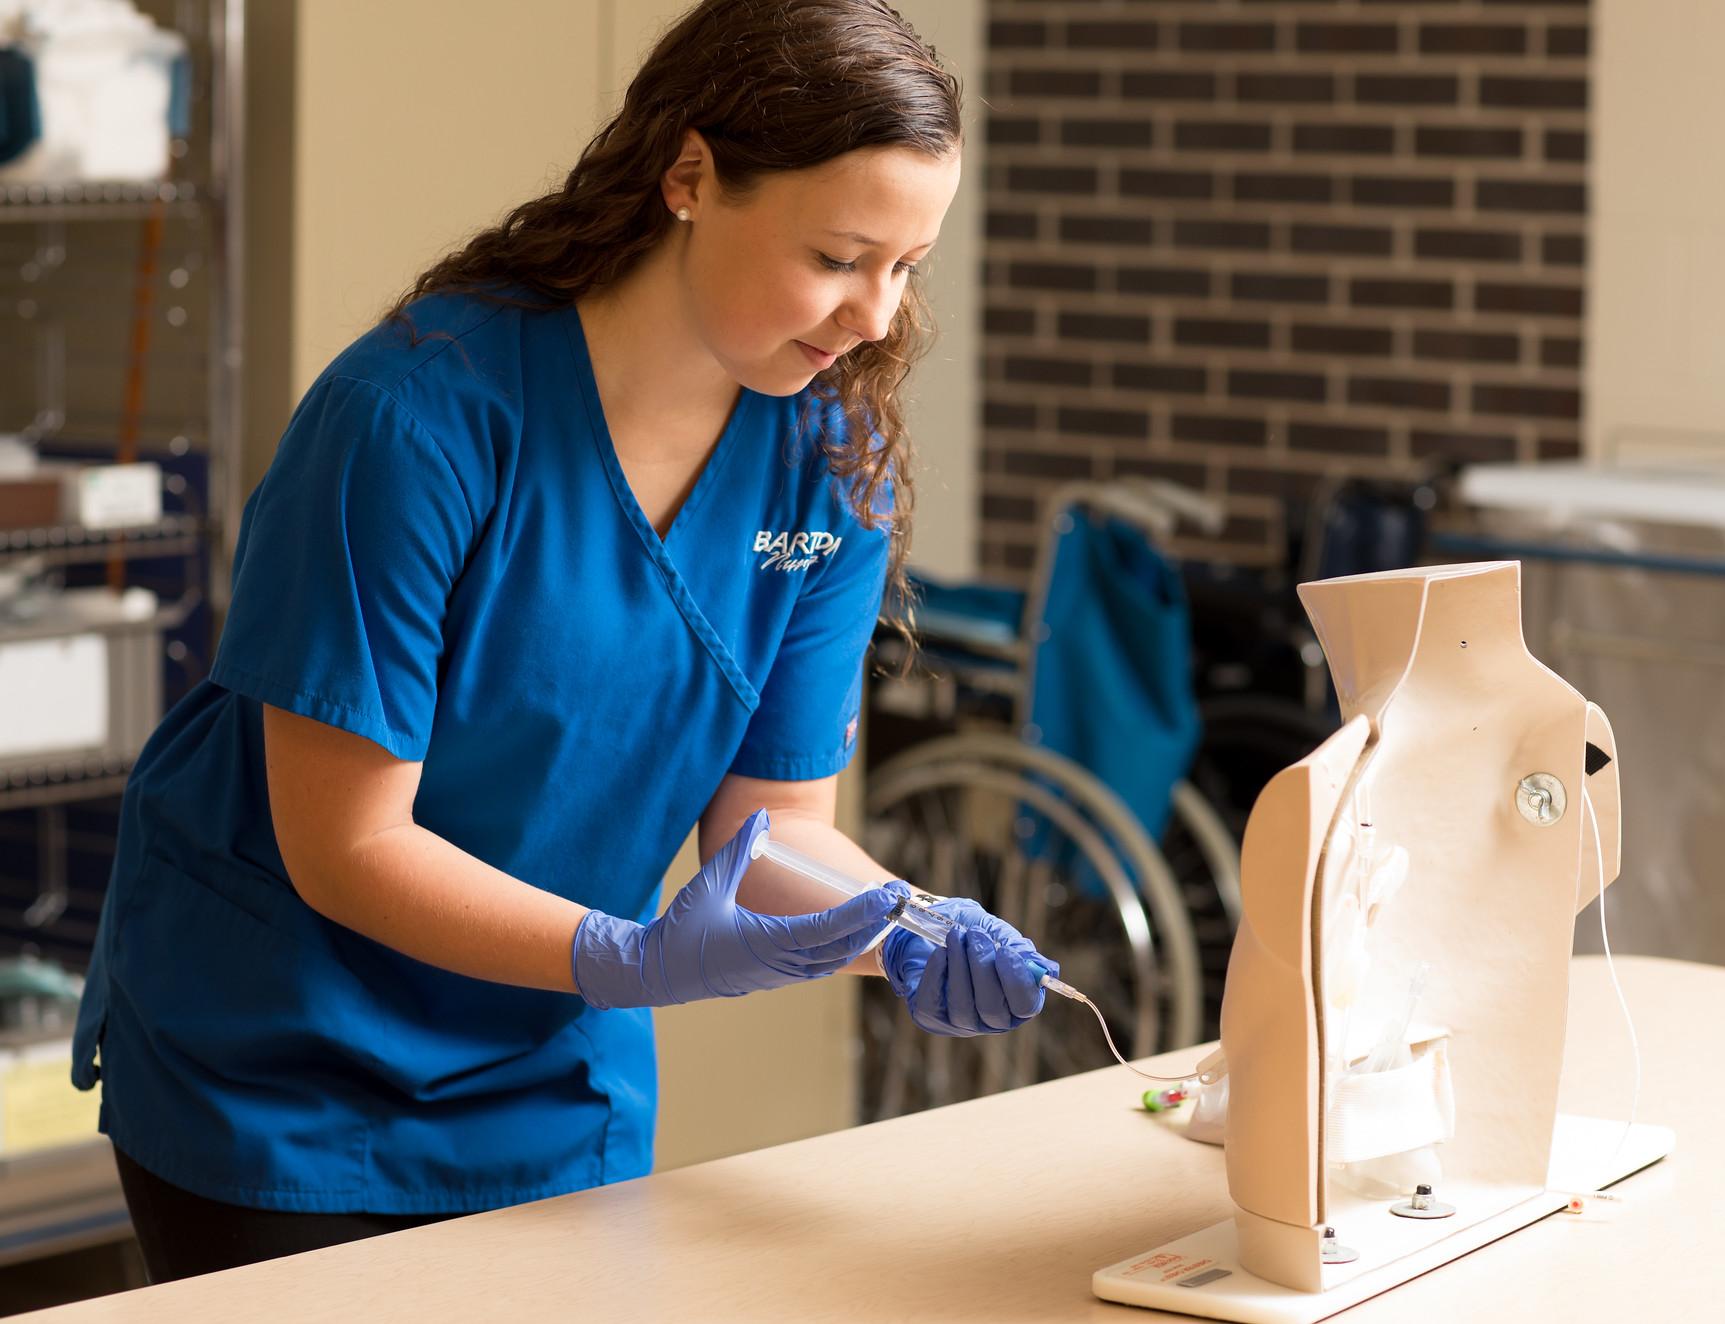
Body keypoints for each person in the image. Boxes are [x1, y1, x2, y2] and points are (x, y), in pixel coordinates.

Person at [69, 0, 1056, 1283]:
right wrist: (630, 956)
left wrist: (896, 920)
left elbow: (775, 836)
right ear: (691, 176)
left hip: (552, 1079)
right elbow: (346, 845)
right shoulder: (415, 419)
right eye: (838, 256)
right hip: (281, 1071)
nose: (875, 316)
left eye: (907, 267)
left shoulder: (830, 467)